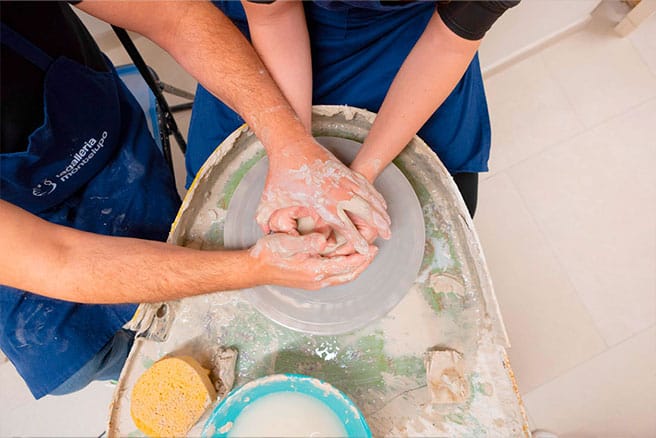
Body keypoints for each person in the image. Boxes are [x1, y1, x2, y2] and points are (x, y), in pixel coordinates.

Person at [0, 1, 390, 399]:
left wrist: (289, 143)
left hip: (95, 132)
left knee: (184, 243)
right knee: (77, 364)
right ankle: (169, 369)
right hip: (19, 228)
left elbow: (178, 17)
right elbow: (58, 260)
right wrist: (253, 268)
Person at [187, 0, 519, 219]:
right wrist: (294, 155)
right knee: (220, 206)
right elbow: (275, 17)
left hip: (410, 30)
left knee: (440, 206)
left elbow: (447, 44)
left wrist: (363, 176)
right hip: (274, 24)